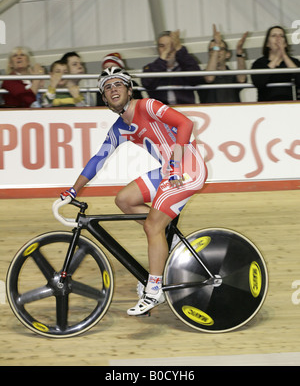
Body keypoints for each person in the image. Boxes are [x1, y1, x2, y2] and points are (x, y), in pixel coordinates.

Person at [60, 67, 207, 316]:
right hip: (167, 172)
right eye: (107, 87)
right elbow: (99, 158)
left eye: (118, 84)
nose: (113, 89)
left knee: (152, 226)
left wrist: (174, 164)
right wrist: (73, 190)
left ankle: (154, 290)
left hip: (186, 171)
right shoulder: (119, 128)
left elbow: (185, 123)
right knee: (125, 199)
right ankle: (164, 242)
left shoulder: (147, 106)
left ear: (129, 90)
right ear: (105, 99)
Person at [142, 30, 203, 105]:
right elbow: (147, 84)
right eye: (162, 46)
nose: (167, 50)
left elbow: (196, 79)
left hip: (185, 110)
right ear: (157, 49)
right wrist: (161, 61)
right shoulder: (150, 68)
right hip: (159, 112)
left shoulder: (185, 66)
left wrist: (180, 50)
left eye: (171, 45)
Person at [200, 24, 248, 103]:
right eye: (213, 49)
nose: (217, 52)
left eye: (221, 49)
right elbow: (209, 78)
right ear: (209, 54)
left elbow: (242, 79)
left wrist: (239, 52)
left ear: (228, 54)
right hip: (209, 114)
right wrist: (217, 45)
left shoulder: (232, 75)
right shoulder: (201, 74)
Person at [251, 25, 300, 102]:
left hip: (291, 106)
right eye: (274, 36)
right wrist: (277, 57)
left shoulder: (294, 62)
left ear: (286, 43)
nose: (278, 38)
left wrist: (284, 55)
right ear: (267, 43)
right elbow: (259, 82)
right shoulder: (259, 63)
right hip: (266, 106)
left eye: (281, 36)